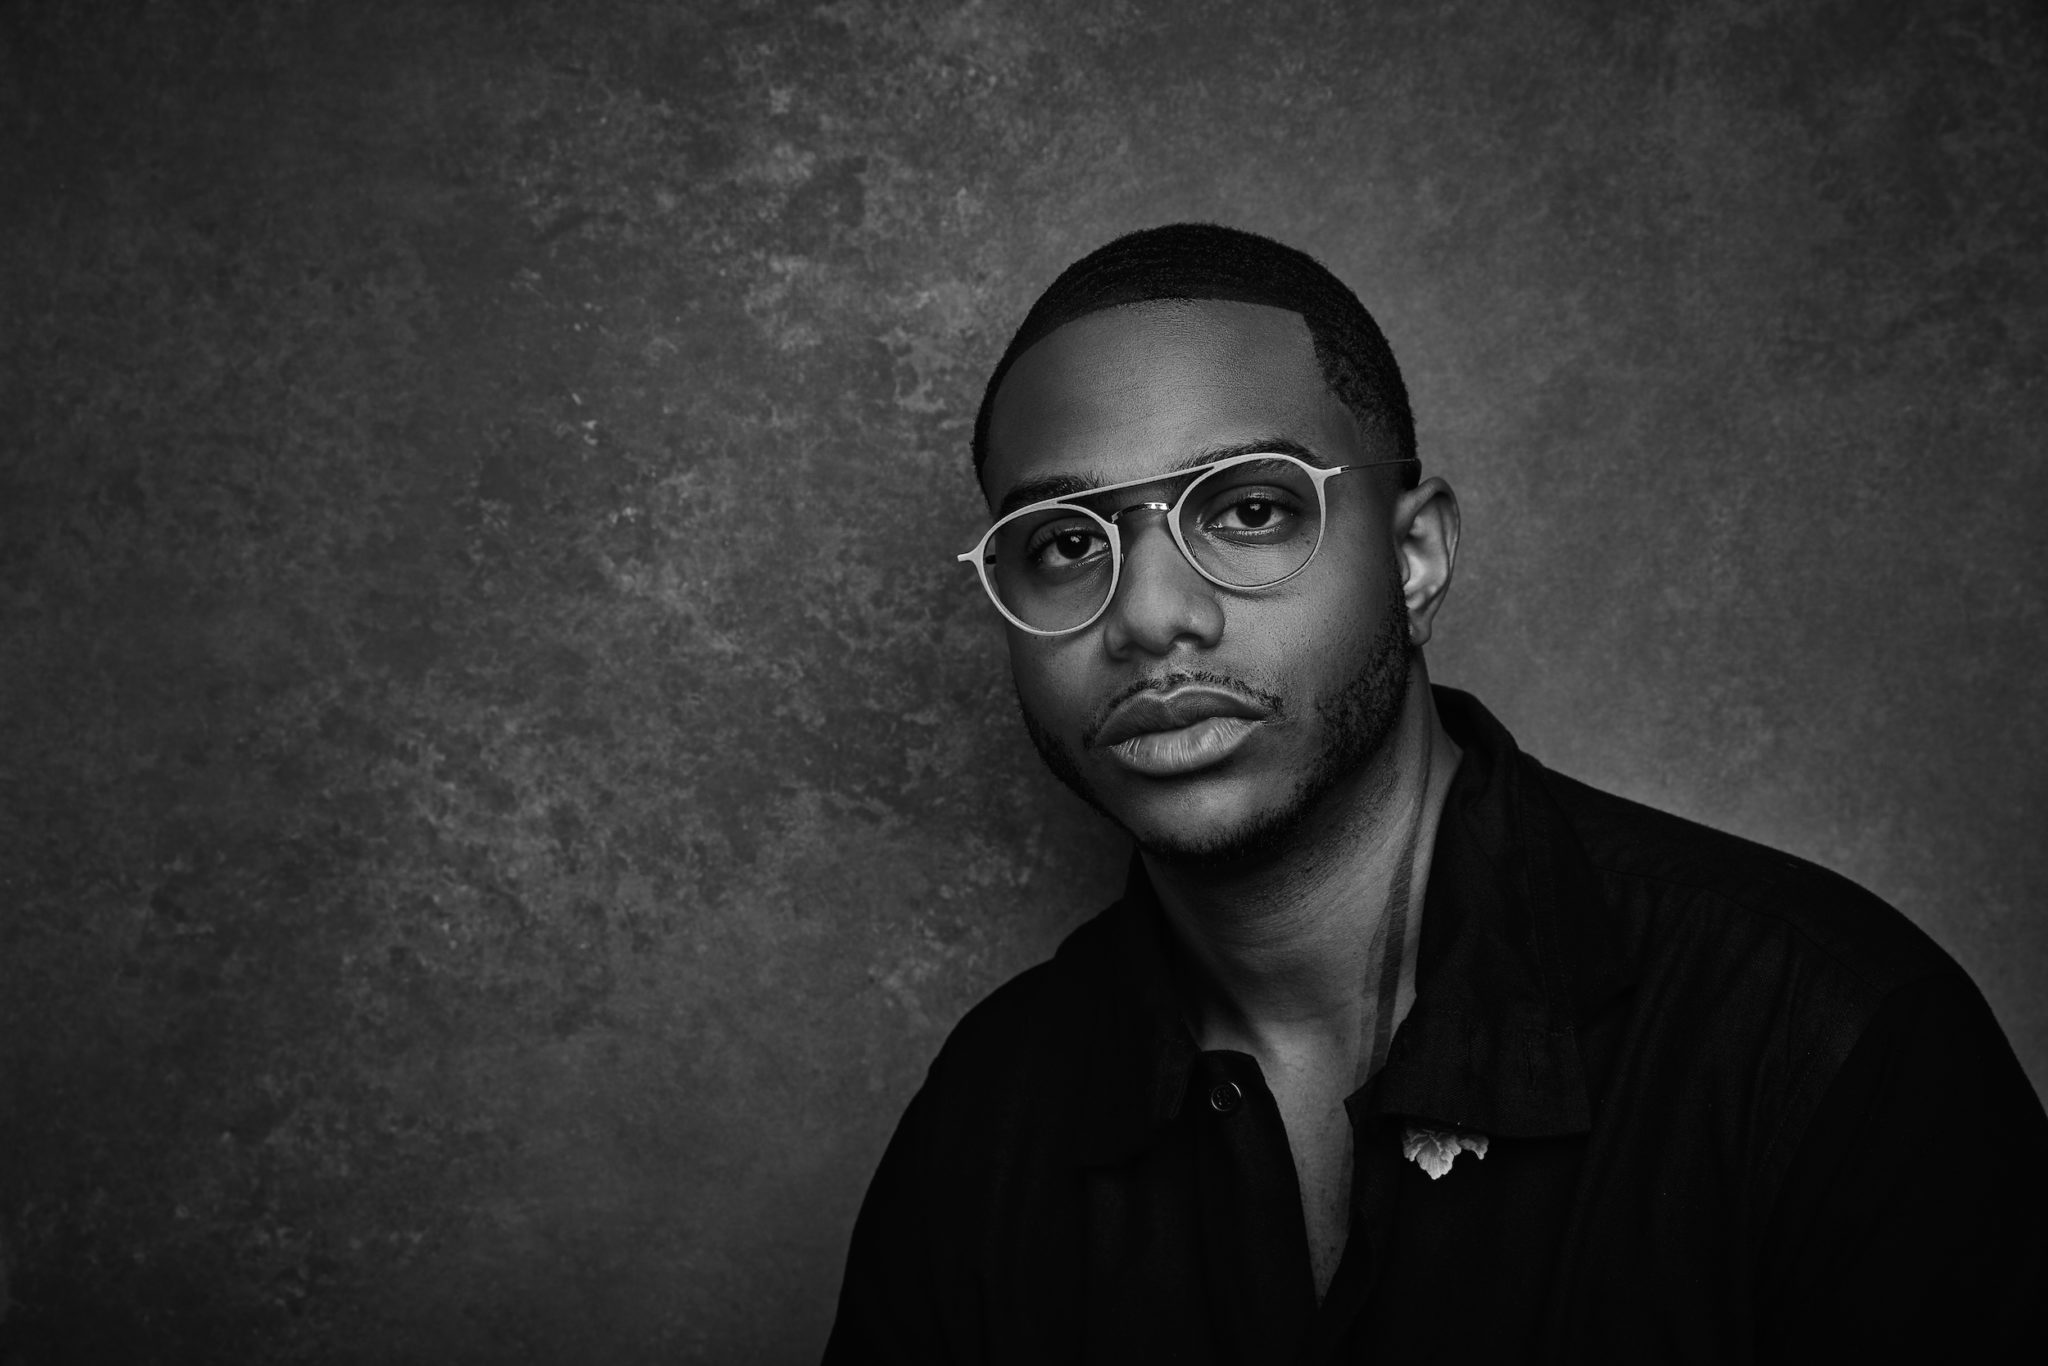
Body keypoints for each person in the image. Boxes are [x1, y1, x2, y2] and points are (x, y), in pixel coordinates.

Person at [823, 223, 2048, 1363]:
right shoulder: (988, 1122)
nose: (1148, 615)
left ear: (1413, 560)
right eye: (1064, 543)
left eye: (1247, 509)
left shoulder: (1824, 1040)